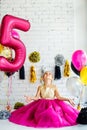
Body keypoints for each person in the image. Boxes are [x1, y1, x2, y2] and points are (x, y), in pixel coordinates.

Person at [9, 71, 79, 128]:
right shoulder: (40, 87)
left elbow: (59, 97)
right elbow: (37, 97)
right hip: (42, 104)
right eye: (46, 74)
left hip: (53, 104)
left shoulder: (54, 87)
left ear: (52, 78)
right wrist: (31, 98)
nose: (48, 74)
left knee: (54, 113)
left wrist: (68, 99)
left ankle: (52, 120)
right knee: (40, 114)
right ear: (43, 78)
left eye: (49, 74)